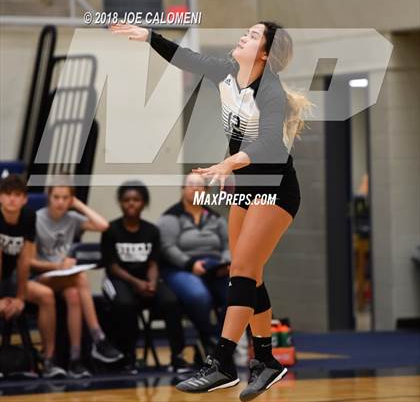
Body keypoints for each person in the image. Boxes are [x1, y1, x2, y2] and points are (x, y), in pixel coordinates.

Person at [111, 21, 311, 400]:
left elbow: (269, 144)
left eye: (253, 36)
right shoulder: (228, 71)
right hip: (246, 189)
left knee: (241, 271)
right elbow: (188, 58)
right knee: (249, 272)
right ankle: (265, 360)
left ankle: (221, 362)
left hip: (276, 190)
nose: (244, 36)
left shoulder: (271, 93)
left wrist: (226, 166)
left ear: (265, 54)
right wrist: (151, 37)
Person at [31, 182, 123, 378]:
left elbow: (103, 225)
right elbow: (29, 262)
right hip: (41, 277)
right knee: (80, 278)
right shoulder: (37, 218)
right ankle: (98, 338)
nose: (61, 202)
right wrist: (57, 267)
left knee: (74, 294)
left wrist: (79, 205)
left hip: (66, 279)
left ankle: (75, 360)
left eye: (66, 198)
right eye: (56, 197)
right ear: (49, 197)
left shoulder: (72, 218)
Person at [101, 181, 191, 375]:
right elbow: (113, 267)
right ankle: (128, 356)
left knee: (171, 301)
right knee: (125, 304)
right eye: (127, 200)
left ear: (144, 203)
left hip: (145, 279)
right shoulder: (111, 230)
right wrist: (136, 283)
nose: (131, 204)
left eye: (136, 200)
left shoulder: (151, 230)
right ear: (120, 203)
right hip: (119, 280)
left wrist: (151, 282)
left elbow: (153, 263)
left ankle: (177, 356)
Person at [0, 174, 67, 378]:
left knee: (46, 295)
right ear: (0, 198)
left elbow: (24, 260)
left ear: (25, 199)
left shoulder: (29, 217)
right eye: (7, 194)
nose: (12, 199)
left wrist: (20, 297)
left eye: (17, 195)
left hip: (11, 276)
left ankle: (48, 360)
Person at [158, 173, 230, 355]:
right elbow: (167, 248)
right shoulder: (170, 217)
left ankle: (224, 343)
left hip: (215, 267)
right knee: (199, 296)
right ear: (183, 189)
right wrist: (190, 264)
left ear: (206, 191)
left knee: (236, 297)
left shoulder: (216, 218)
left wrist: (226, 262)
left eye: (200, 186)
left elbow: (229, 244)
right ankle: (208, 338)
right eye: (190, 185)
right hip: (181, 268)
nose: (195, 189)